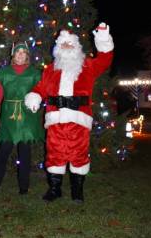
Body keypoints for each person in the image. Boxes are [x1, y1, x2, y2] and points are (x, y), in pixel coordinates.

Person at [25, 23, 114, 203]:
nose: (67, 47)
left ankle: (77, 191)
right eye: (63, 44)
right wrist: (34, 96)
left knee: (78, 154)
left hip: (78, 120)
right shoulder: (50, 69)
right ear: (58, 48)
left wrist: (103, 38)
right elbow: (41, 88)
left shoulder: (87, 66)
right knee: (54, 154)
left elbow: (105, 59)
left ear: (76, 47)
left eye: (70, 44)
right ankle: (55, 189)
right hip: (55, 119)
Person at [0, 42, 45, 194]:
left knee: (25, 153)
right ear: (13, 55)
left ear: (27, 55)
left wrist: (37, 100)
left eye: (23, 52)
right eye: (17, 52)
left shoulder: (34, 73)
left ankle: (24, 186)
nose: (20, 54)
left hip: (26, 116)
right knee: (3, 152)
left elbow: (41, 91)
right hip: (8, 116)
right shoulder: (4, 73)